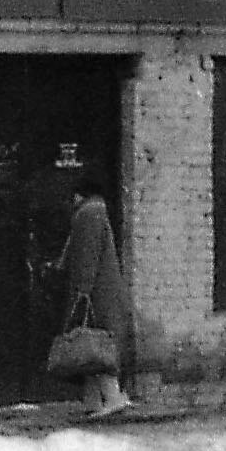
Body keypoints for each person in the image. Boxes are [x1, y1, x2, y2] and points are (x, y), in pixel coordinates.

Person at [55, 176, 133, 416]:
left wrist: (83, 292)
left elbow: (87, 257)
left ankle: (111, 397)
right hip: (100, 291)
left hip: (95, 293)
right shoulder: (96, 214)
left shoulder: (88, 215)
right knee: (87, 344)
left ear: (80, 194)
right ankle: (92, 400)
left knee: (95, 343)